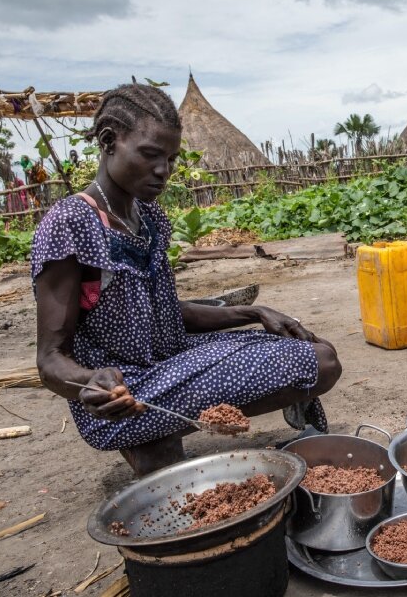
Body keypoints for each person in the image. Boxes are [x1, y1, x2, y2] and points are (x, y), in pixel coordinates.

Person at [32, 83, 342, 477]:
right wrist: (89, 383)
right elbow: (50, 360)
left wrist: (253, 311)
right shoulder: (71, 225)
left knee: (315, 353)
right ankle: (147, 433)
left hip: (169, 359)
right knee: (318, 362)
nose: (163, 171)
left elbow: (164, 314)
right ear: (109, 142)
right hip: (131, 392)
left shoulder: (148, 217)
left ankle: (157, 438)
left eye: (172, 158)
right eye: (150, 155)